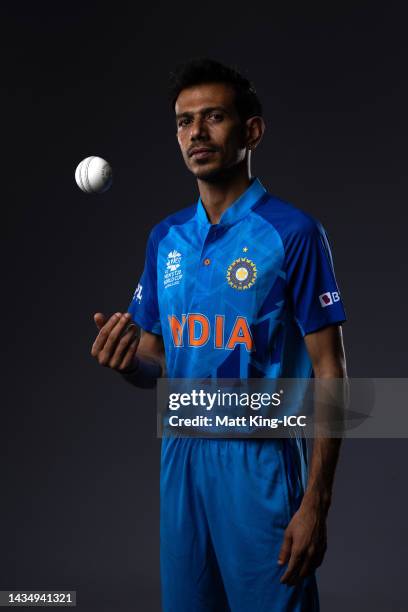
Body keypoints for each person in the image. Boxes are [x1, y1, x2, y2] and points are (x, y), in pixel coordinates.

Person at [91, 58, 348, 612]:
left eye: (213, 117)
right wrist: (128, 361)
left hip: (260, 467)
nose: (196, 133)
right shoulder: (166, 238)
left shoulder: (293, 233)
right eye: (185, 122)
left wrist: (316, 503)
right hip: (181, 463)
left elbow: (331, 369)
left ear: (251, 130)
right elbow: (160, 357)